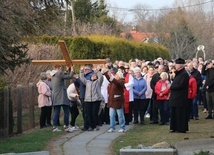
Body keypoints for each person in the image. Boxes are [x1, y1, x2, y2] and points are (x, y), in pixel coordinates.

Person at [51, 64, 74, 132]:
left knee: (56, 111)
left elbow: (63, 75)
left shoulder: (53, 74)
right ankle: (66, 126)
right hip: (61, 95)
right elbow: (69, 76)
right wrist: (72, 69)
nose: (61, 69)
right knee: (66, 111)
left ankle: (54, 126)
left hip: (56, 96)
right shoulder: (59, 73)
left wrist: (66, 70)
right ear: (58, 68)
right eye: (60, 68)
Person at [169, 58, 189, 133]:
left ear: (180, 66)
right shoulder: (178, 73)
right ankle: (174, 127)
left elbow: (180, 85)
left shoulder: (184, 74)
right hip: (175, 97)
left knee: (180, 113)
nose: (175, 66)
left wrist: (171, 87)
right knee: (174, 113)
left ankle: (181, 128)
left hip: (180, 97)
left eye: (176, 65)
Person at [78, 64, 94, 131]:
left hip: (87, 96)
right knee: (84, 112)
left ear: (89, 70)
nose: (84, 70)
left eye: (86, 69)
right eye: (84, 69)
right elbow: (79, 82)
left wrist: (81, 74)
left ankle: (89, 125)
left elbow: (85, 82)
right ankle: (86, 125)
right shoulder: (84, 75)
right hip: (82, 95)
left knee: (87, 112)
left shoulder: (90, 76)